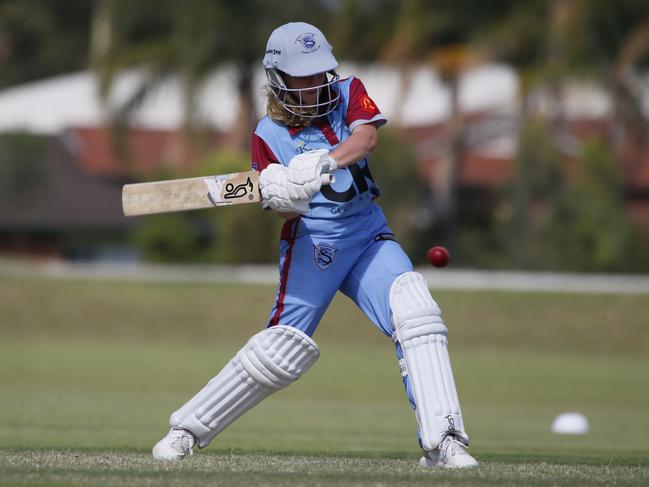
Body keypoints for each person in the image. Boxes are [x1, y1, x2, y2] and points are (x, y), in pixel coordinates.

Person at [152, 21, 479, 469]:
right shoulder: (267, 135)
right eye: (302, 77)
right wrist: (284, 191)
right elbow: (282, 209)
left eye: (318, 73)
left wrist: (326, 161)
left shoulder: (348, 92)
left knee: (416, 309)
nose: (314, 84)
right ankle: (184, 432)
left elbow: (366, 138)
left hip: (366, 233)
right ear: (278, 80)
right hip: (314, 244)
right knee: (280, 348)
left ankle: (444, 442)